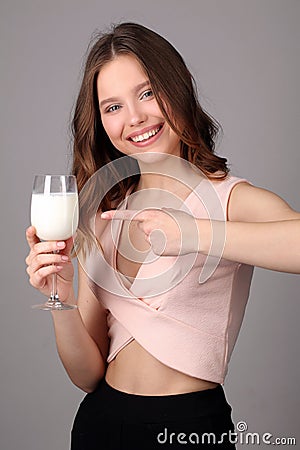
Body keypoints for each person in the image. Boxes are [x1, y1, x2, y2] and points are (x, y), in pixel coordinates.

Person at [25, 22, 300, 449]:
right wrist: (61, 293)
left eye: (148, 93)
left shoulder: (227, 198)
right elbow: (87, 375)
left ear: (179, 90)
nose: (135, 118)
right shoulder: (103, 213)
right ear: (100, 121)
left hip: (187, 426)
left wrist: (192, 233)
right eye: (112, 107)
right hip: (100, 423)